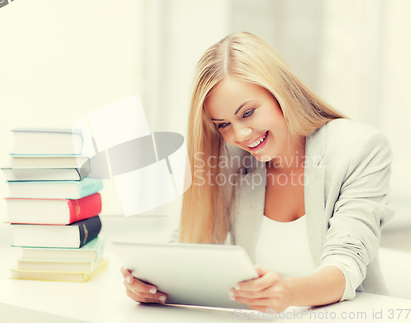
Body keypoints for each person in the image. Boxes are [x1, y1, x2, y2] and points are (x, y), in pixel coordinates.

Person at [120, 31, 395, 313]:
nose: (239, 134)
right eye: (223, 124)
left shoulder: (360, 149)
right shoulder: (231, 161)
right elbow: (189, 241)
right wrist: (151, 281)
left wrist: (288, 293)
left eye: (248, 113)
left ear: (280, 93)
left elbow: (346, 263)